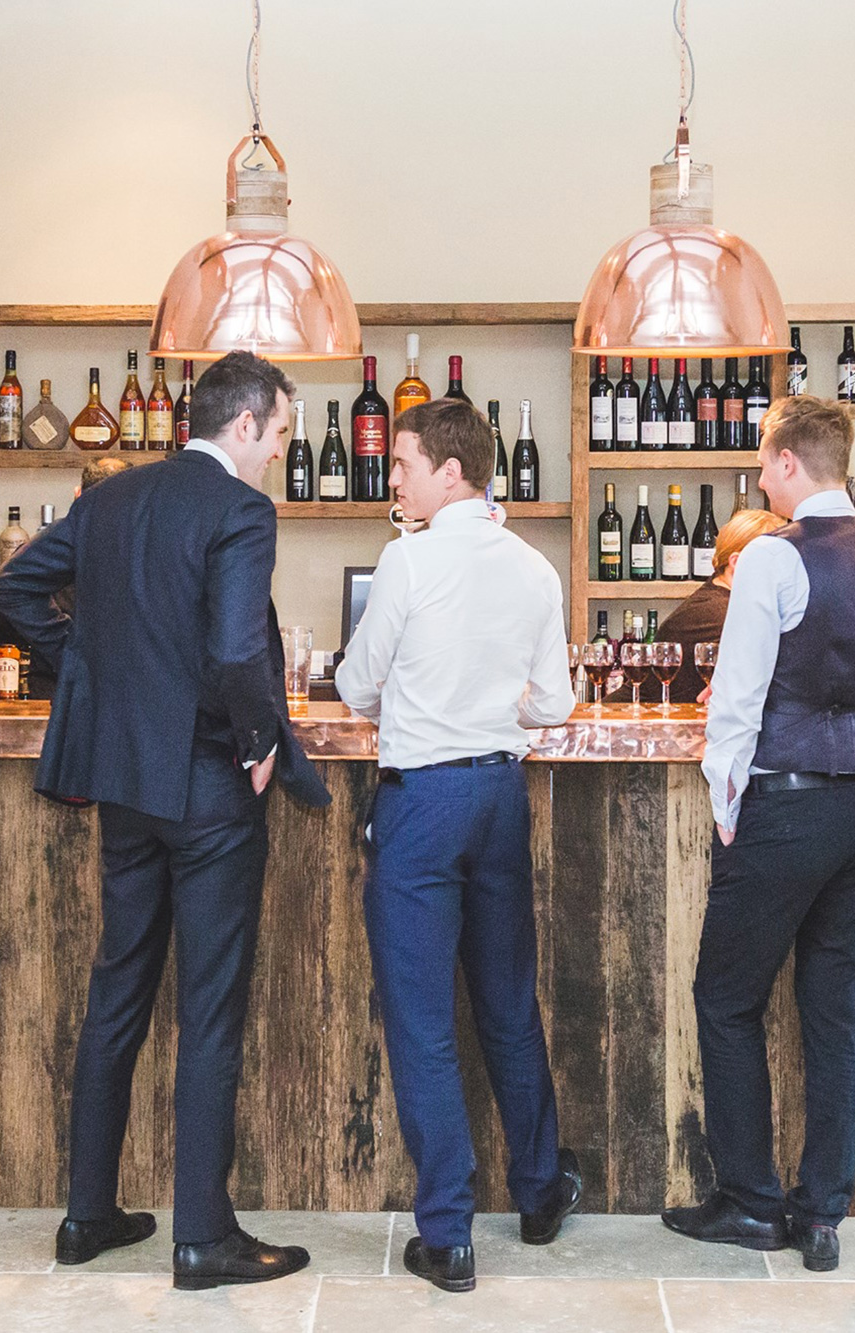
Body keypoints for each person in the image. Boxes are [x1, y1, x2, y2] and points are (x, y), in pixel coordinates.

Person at [0, 351, 329, 1289]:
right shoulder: (239, 509)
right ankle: (202, 1238)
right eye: (282, 434)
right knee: (210, 1011)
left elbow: (7, 598)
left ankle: (87, 1215)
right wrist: (261, 738)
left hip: (126, 788)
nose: (280, 454)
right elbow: (230, 651)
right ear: (249, 424)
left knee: (118, 995)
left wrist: (95, 663)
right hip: (213, 787)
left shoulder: (114, 499)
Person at [335, 398, 581, 1294]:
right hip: (498, 794)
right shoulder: (533, 564)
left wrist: (418, 699)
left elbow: (358, 684)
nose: (391, 477)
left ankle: (448, 1232)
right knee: (508, 1001)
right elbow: (553, 703)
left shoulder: (409, 558)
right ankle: (542, 1189)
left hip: (425, 801)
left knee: (424, 1018)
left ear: (450, 469)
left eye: (401, 463)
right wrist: (492, 707)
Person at [662, 395, 855, 1272]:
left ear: (791, 464)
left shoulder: (773, 555)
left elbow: (738, 697)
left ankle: (751, 1200)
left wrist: (729, 800)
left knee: (727, 999)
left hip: (789, 801)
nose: (761, 475)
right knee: (836, 1015)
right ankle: (823, 1213)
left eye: (767, 463)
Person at [0, 456, 130, 701]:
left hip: (54, 692)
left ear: (77, 494)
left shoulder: (52, 547)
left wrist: (63, 645)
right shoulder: (145, 546)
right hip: (117, 693)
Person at [663, 507, 786, 702]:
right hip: (645, 728)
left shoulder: (718, 596)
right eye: (777, 561)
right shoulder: (722, 613)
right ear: (737, 562)